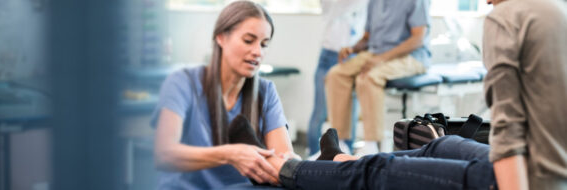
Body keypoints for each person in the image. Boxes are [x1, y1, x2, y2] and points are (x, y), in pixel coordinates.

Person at [151, 1, 297, 189]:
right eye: (248, 40)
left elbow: (282, 165)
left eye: (264, 44)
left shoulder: (266, 91)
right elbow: (163, 154)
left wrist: (291, 164)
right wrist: (230, 154)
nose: (257, 52)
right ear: (221, 37)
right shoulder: (183, 82)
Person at [229, 118, 497, 189]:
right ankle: (338, 159)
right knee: (444, 145)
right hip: (525, 165)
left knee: (380, 170)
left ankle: (277, 169)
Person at [325, 0, 431, 156]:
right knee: (336, 74)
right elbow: (367, 38)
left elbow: (418, 39)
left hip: (411, 56)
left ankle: (371, 145)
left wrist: (382, 59)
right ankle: (339, 144)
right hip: (376, 53)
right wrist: (352, 48)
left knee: (368, 77)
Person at [483, 0, 567, 189]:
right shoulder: (557, 8)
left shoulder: (504, 17)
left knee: (400, 168)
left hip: (532, 177)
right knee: (446, 144)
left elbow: (508, 131)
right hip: (559, 171)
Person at [307, 0, 368, 157]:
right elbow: (343, 6)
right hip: (329, 56)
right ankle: (313, 158)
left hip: (353, 56)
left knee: (350, 114)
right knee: (320, 113)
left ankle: (345, 159)